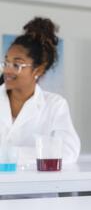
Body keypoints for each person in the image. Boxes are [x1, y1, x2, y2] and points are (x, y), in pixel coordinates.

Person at [0, 17, 80, 165]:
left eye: (17, 64)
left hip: (35, 187)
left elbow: (68, 152)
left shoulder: (55, 105)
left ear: (39, 69)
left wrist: (10, 153)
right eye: (6, 62)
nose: (7, 70)